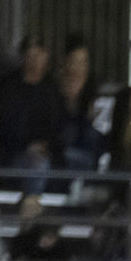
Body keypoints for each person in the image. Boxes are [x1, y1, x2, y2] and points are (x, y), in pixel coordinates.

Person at [0, 36, 62, 193]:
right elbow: (1, 127)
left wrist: (46, 145)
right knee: (38, 165)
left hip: (48, 153)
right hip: (13, 154)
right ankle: (30, 211)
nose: (35, 60)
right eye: (31, 55)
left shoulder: (52, 89)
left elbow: (58, 125)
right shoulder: (8, 87)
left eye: (40, 55)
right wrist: (28, 147)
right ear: (23, 56)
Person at [51, 43, 102, 174]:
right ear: (66, 62)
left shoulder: (92, 87)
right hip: (61, 141)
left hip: (85, 141)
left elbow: (96, 121)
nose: (79, 67)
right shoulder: (54, 87)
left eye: (83, 62)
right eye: (75, 61)